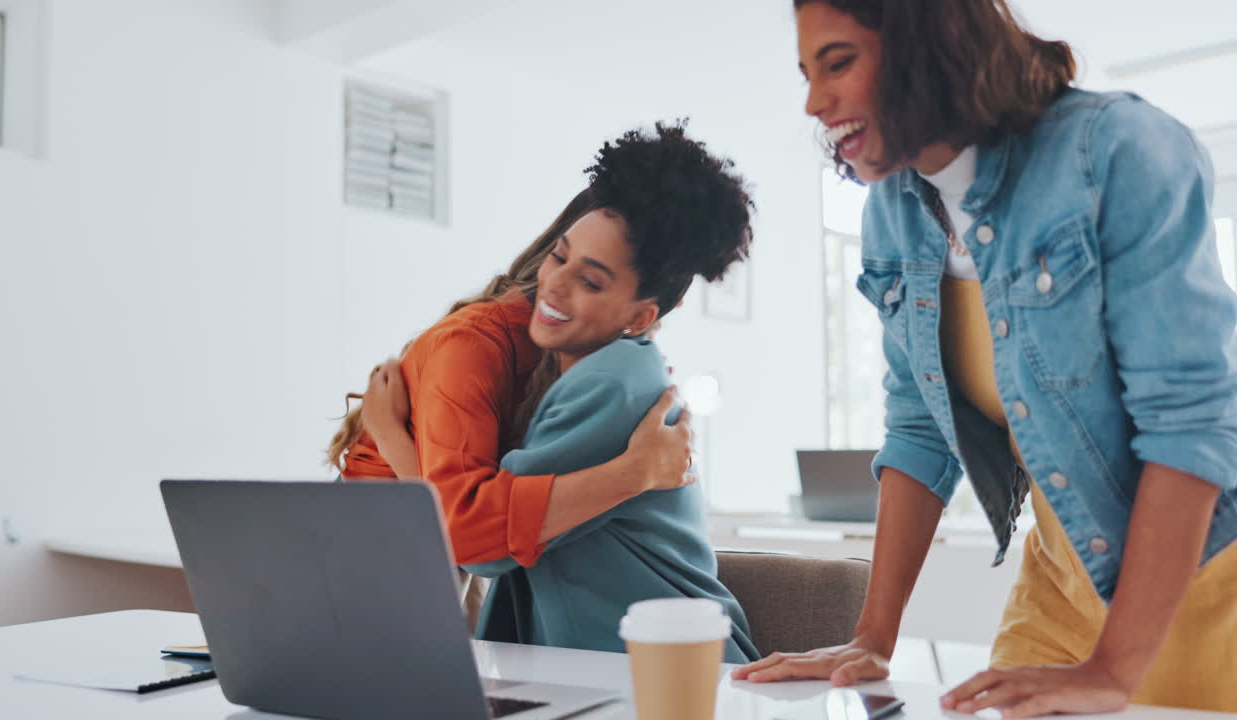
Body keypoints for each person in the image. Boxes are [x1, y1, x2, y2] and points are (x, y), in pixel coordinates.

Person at [734, 0, 1237, 715]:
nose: (815, 103)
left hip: (1212, 579)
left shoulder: (1117, 151)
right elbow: (918, 427)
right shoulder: (895, 210)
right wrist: (871, 637)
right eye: (808, 74)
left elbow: (1188, 424)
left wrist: (1114, 669)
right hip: (1064, 582)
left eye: (838, 63)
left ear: (925, 40)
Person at [331, 122, 761, 663]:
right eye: (561, 259)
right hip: (393, 546)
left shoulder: (607, 376)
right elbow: (477, 534)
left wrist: (395, 438)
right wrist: (634, 473)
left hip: (647, 665)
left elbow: (478, 540)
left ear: (642, 314)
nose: (557, 284)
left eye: (593, 280)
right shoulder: (532, 354)